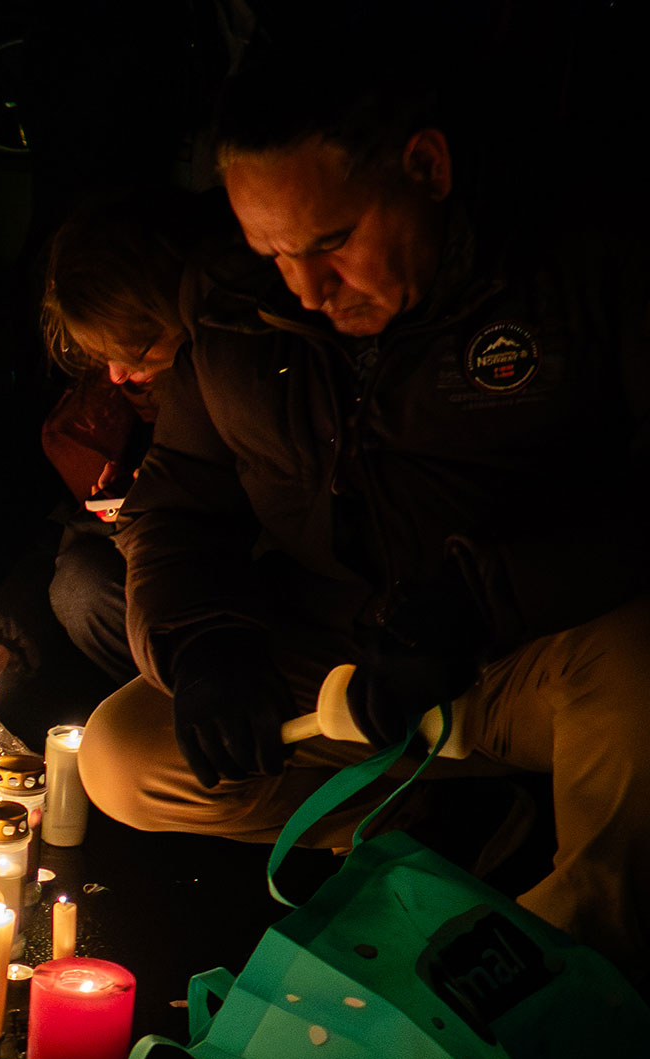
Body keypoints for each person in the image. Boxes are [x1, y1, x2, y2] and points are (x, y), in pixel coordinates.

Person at [76, 44, 650, 974]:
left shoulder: (575, 271)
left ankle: (558, 971)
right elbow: (181, 500)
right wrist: (204, 640)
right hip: (344, 662)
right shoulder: (233, 305)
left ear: (426, 169)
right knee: (123, 753)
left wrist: (480, 602)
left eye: (331, 243)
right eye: (272, 251)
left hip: (532, 653)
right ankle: (420, 821)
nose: (304, 288)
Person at [0, 190, 207, 713]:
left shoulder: (227, 388)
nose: (118, 375)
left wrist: (155, 508)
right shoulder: (110, 408)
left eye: (134, 349)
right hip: (162, 599)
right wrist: (1, 648)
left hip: (239, 600)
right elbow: (63, 533)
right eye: (104, 356)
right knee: (79, 581)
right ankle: (173, 715)